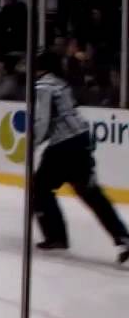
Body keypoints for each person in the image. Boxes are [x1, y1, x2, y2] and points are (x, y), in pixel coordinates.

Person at [30, 51, 129, 264]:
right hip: (81, 140)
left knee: (40, 187)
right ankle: (123, 237)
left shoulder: (43, 86)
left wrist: (32, 143)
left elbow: (43, 119)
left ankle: (56, 236)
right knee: (92, 194)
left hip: (63, 145)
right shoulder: (61, 84)